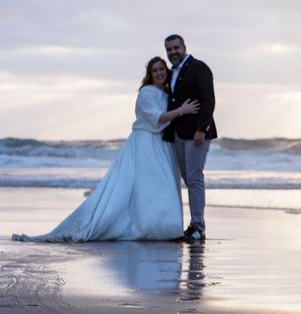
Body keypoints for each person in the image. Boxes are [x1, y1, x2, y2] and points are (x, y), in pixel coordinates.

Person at [12, 57, 199, 242]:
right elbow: (156, 118)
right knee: (146, 186)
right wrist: (182, 110)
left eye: (161, 69)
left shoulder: (167, 94)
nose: (159, 73)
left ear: (166, 71)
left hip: (163, 144)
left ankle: (163, 227)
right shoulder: (146, 93)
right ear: (149, 75)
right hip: (145, 144)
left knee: (162, 185)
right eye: (154, 70)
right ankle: (147, 227)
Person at [162, 34, 217, 243]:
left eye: (176, 48)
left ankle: (197, 227)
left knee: (194, 178)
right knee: (187, 178)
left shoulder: (199, 68)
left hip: (197, 134)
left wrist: (201, 129)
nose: (173, 52)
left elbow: (208, 100)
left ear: (184, 47)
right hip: (178, 133)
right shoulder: (171, 73)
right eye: (169, 49)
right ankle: (193, 225)